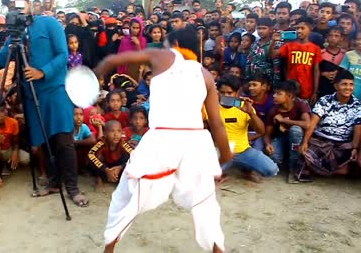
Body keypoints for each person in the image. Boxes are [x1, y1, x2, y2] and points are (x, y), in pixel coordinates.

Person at [95, 27, 232, 253]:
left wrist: (97, 70)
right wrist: (225, 156)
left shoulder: (164, 55)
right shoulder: (205, 74)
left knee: (128, 197)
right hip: (195, 142)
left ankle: (109, 249)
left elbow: (118, 58)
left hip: (162, 139)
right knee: (206, 206)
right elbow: (217, 123)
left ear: (174, 43)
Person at [0, 0, 88, 207]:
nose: (15, 10)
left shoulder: (50, 24)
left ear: (28, 2)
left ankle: (73, 189)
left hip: (55, 90)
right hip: (31, 96)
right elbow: (0, 61)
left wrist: (42, 71)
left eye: (18, 4)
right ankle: (54, 183)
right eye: (10, 7)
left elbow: (63, 54)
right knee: (45, 144)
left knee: (64, 141)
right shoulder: (14, 35)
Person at [299, 70, 361, 180]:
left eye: (351, 84)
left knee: (348, 166)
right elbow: (313, 123)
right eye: (344, 84)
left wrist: (355, 148)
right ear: (336, 86)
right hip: (321, 141)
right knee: (306, 153)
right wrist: (305, 142)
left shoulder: (357, 106)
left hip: (342, 144)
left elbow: (358, 128)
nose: (348, 88)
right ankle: (320, 168)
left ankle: (321, 169)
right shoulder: (325, 100)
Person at [216, 75, 279, 183]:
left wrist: (251, 113)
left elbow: (261, 131)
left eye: (230, 93)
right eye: (222, 92)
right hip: (220, 152)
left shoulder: (244, 106)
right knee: (206, 177)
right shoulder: (211, 107)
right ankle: (224, 169)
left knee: (272, 170)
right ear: (218, 92)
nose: (226, 95)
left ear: (237, 92)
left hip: (243, 150)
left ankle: (244, 167)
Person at [264, 80, 310, 182]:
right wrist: (268, 144)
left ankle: (293, 169)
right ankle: (286, 161)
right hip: (282, 137)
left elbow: (307, 124)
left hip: (298, 138)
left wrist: (284, 120)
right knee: (274, 157)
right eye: (275, 93)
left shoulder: (300, 104)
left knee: (295, 130)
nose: (274, 96)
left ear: (289, 96)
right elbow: (267, 134)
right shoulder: (273, 111)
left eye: (279, 94)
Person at [271, 17, 322, 103]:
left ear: (310, 29)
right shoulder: (289, 45)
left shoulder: (315, 48)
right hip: (290, 86)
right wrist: (273, 42)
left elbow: (316, 71)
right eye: (297, 28)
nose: (299, 31)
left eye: (302, 28)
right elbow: (273, 55)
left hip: (307, 88)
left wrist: (315, 92)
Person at [88, 120, 132, 191]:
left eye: (119, 131)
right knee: (95, 158)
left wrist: (120, 167)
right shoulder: (102, 142)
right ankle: (99, 179)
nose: (116, 134)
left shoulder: (123, 143)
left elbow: (134, 155)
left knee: (129, 157)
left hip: (117, 165)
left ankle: (118, 178)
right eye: (112, 131)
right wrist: (106, 169)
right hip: (104, 166)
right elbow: (90, 154)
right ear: (105, 134)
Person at [340, 31, 361, 99]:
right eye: (358, 39)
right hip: (350, 93)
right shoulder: (349, 55)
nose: (360, 42)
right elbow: (342, 73)